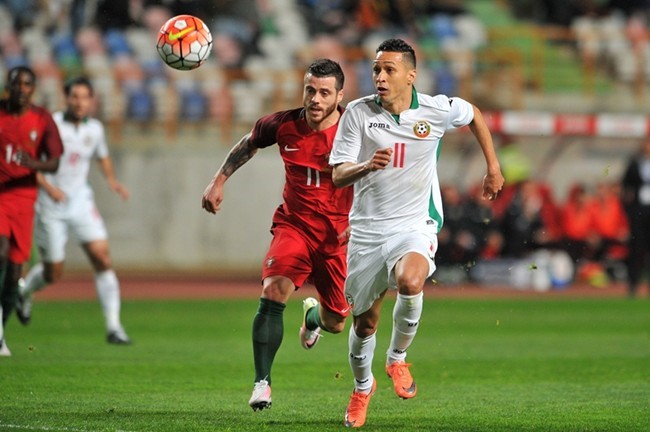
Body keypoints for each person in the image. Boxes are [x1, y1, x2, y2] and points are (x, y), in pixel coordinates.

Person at [329, 38, 504, 428]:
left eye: (389, 69)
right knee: (364, 324)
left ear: (410, 75)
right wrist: (366, 166)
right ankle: (362, 388)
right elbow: (338, 173)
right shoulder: (357, 113)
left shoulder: (435, 110)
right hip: (367, 231)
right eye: (376, 69)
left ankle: (397, 359)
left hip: (414, 224)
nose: (380, 76)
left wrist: (493, 167)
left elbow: (474, 114)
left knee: (411, 281)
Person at [201, 59, 352, 411]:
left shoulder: (355, 129)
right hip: (294, 226)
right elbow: (250, 142)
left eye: (324, 93)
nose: (315, 99)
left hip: (338, 237)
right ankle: (262, 383)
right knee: (273, 289)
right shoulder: (283, 124)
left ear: (340, 96)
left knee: (336, 322)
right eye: (310, 90)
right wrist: (219, 180)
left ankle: (312, 318)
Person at [16, 77, 132, 345]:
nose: (80, 103)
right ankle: (24, 293)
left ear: (91, 101)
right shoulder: (50, 125)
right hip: (50, 205)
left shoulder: (95, 129)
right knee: (52, 273)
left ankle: (114, 327)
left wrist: (112, 181)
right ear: (65, 98)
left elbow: (102, 156)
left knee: (102, 258)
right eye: (75, 96)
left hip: (81, 202)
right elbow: (29, 162)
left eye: (85, 97)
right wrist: (49, 188)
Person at [0, 66, 64, 356]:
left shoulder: (41, 118)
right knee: (0, 251)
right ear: (8, 86)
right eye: (17, 83)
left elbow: (55, 161)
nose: (21, 89)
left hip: (25, 200)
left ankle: (1, 332)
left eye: (27, 84)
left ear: (33, 89)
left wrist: (33, 163)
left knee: (14, 272)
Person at [621, 138, 650, 298]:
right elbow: (625, 185)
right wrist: (630, 209)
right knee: (637, 248)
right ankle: (633, 284)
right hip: (639, 211)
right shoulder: (635, 164)